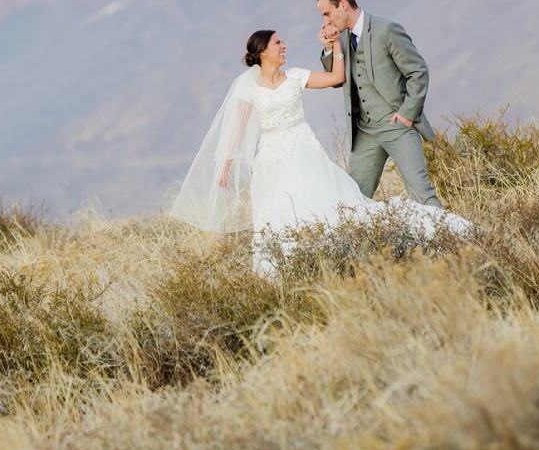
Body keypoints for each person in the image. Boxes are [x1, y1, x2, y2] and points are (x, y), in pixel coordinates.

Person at [169, 28, 472, 273]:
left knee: (319, 204)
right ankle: (286, 269)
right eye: (278, 43)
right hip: (271, 161)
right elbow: (237, 128)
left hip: (304, 151)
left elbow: (336, 78)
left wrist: (336, 47)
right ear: (263, 52)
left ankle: (330, 260)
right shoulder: (248, 87)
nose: (284, 46)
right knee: (276, 214)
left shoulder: (296, 76)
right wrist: (225, 165)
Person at [315, 0, 444, 208]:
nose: (325, 22)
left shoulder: (387, 29)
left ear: (343, 4)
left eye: (327, 13)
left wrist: (406, 113)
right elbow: (336, 79)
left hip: (397, 126)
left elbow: (418, 71)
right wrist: (329, 48)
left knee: (422, 195)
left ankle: (455, 243)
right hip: (364, 131)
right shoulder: (341, 39)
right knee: (352, 200)